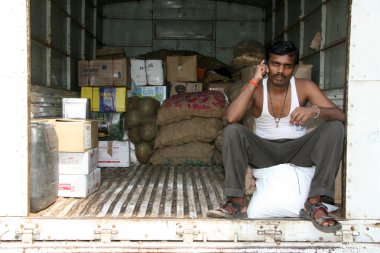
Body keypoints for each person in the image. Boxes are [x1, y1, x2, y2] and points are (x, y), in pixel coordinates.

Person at [206, 40, 345, 233]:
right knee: (233, 131)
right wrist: (254, 79)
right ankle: (236, 200)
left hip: (298, 150)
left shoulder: (305, 86)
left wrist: (315, 111)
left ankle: (314, 203)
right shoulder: (257, 88)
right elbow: (231, 117)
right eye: (275, 64)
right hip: (265, 152)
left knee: (335, 128)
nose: (281, 71)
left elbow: (340, 115)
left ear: (293, 68)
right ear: (266, 65)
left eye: (287, 66)